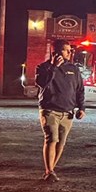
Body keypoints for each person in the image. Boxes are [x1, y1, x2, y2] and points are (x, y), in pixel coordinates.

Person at [35, 39, 86, 182]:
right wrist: (53, 67)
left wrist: (81, 108)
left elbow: (79, 90)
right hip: (50, 110)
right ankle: (49, 170)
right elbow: (42, 83)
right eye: (66, 50)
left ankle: (51, 170)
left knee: (61, 142)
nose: (70, 52)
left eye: (70, 50)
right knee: (51, 139)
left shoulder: (74, 69)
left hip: (67, 113)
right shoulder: (43, 67)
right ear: (56, 51)